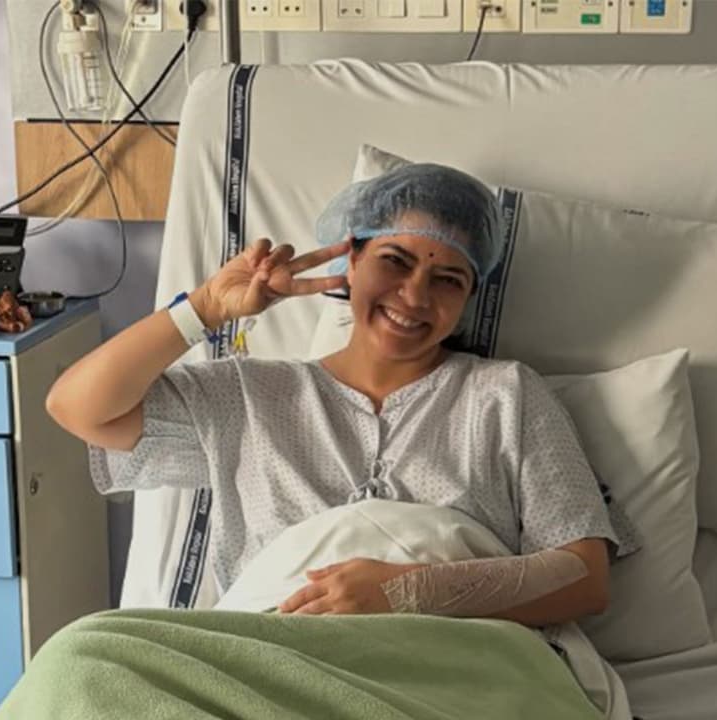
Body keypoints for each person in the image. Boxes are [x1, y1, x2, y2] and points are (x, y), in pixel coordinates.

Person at [47, 163, 635, 625]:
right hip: (270, 656)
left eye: (448, 279)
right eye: (394, 261)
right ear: (350, 259)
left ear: (468, 298)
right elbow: (77, 409)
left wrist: (408, 593)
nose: (414, 295)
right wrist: (203, 309)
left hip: (447, 662)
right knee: (86, 652)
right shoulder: (247, 397)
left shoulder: (506, 396)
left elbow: (584, 579)